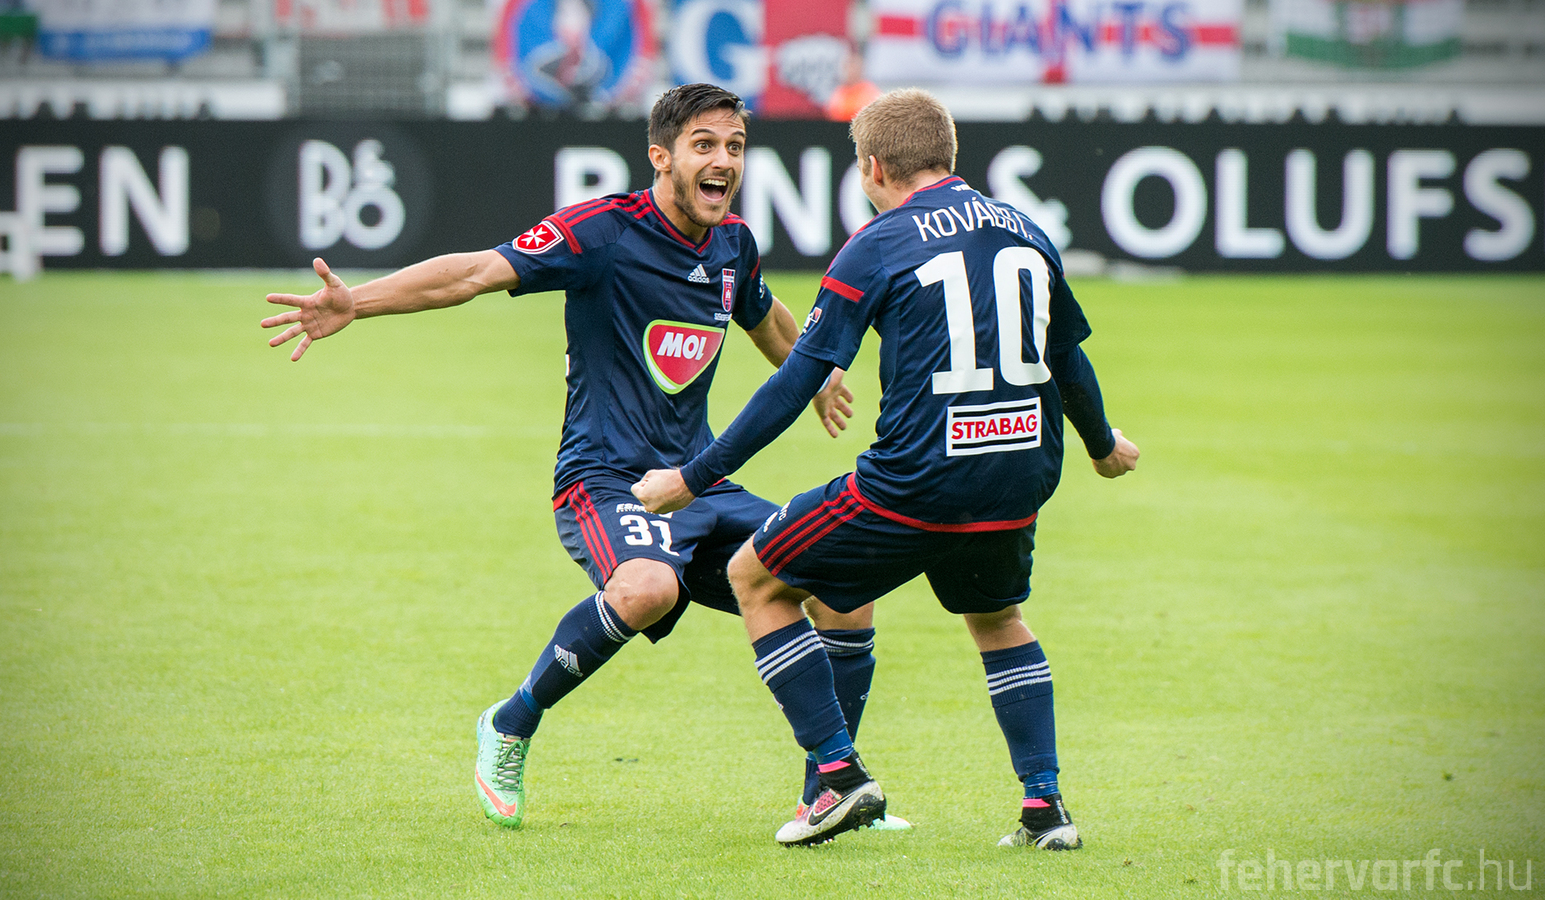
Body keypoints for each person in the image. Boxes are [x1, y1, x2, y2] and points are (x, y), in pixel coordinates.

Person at [260, 83, 906, 831]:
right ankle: (510, 723)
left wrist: (814, 375)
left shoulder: (733, 242)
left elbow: (763, 314)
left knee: (842, 584)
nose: (724, 161)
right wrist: (359, 302)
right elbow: (473, 272)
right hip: (605, 479)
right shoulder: (601, 231)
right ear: (661, 156)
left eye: (734, 147)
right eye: (704, 145)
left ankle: (832, 787)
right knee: (647, 589)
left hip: (697, 480)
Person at [633, 87, 1140, 848]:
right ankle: (1045, 808)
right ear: (949, 155)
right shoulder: (1026, 229)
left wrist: (692, 477)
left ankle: (838, 778)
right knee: (997, 617)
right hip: (1017, 474)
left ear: (872, 168)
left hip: (914, 482)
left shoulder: (878, 243)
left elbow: (796, 382)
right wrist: (1101, 446)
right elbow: (1067, 357)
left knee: (755, 577)